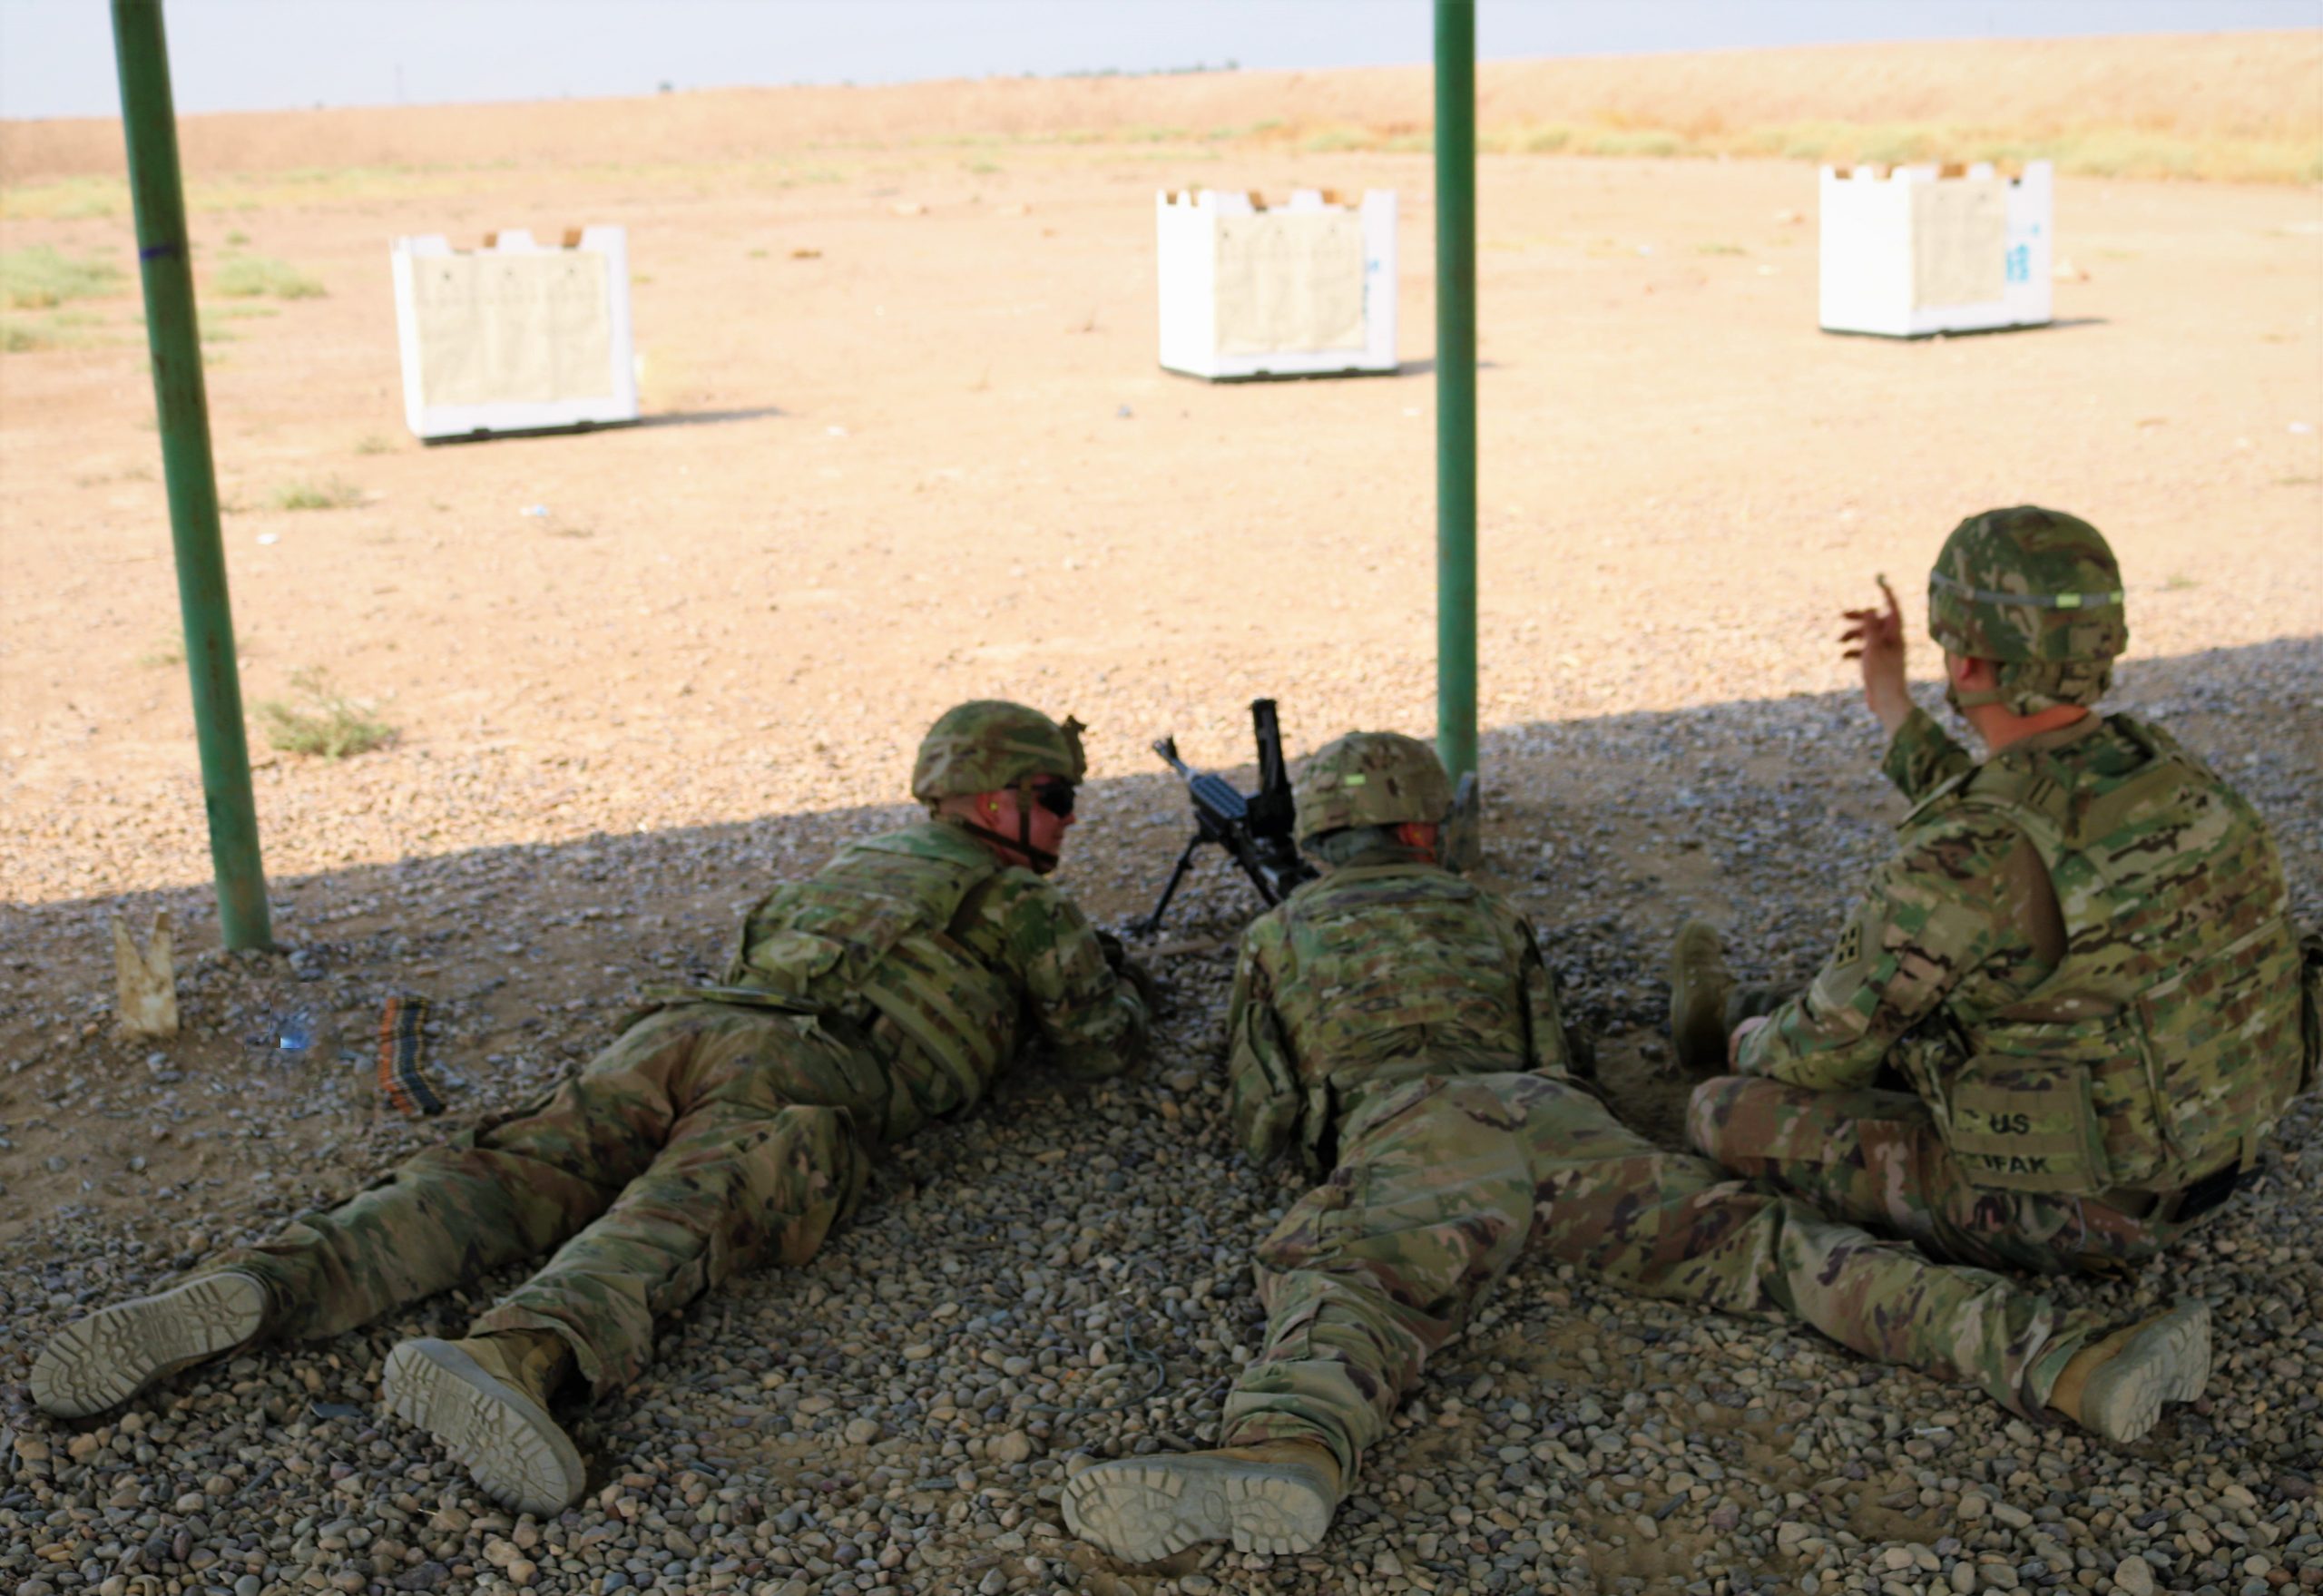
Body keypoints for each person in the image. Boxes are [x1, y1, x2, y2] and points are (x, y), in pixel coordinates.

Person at [1061, 730, 2210, 1564]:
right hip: (1563, 1127)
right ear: (1422, 826)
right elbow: (1555, 1045)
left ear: (1320, 834)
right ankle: (2068, 1360)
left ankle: (1287, 1450)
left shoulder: (1277, 930)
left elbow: (1261, 1109)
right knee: (1777, 1252)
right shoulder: (1488, 914)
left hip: (1416, 1129)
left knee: (1356, 1280)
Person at [32, 700, 1149, 1515]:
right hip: (811, 1068)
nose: (1066, 822)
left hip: (679, 1028)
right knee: (688, 1206)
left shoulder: (856, 860)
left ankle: (262, 1282)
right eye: (1058, 799)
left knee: (510, 1172)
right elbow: (1099, 1046)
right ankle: (517, 1356)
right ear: (1000, 799)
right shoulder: (1018, 902)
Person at [1678, 506, 2317, 1279]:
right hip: (2212, 1151)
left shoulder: (1963, 856)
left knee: (1721, 1109)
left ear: (1968, 665)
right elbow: (2014, 820)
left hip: (2083, 1209)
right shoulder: (2160, 769)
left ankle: (1727, 1025)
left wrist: (1751, 1049)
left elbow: (1824, 1051)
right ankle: (1736, 1012)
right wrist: (1892, 704)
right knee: (1888, 1001)